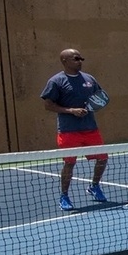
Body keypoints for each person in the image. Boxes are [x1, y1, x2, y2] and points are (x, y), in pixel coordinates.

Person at [40, 48, 109, 211]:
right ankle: (64, 196)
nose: (79, 61)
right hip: (68, 131)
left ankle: (94, 186)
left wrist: (92, 107)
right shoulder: (56, 81)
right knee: (69, 163)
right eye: (76, 59)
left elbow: (99, 97)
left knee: (103, 158)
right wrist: (71, 111)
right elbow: (48, 105)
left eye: (80, 59)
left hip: (90, 128)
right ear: (65, 61)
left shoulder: (90, 79)